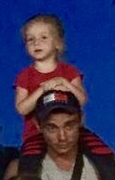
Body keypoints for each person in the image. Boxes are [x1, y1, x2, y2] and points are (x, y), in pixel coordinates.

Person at [13, 13, 87, 142]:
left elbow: (82, 100)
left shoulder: (69, 71)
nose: (36, 43)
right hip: (36, 136)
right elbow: (22, 109)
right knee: (30, 155)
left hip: (71, 135)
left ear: (57, 43)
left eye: (43, 37)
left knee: (98, 151)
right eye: (30, 39)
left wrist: (64, 83)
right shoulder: (24, 76)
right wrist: (43, 90)